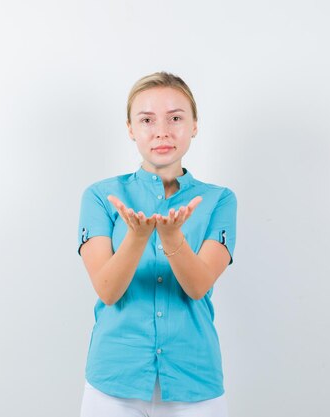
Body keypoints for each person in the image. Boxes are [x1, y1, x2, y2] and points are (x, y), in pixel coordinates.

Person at [77, 71, 237, 417]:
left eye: (176, 118)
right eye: (147, 120)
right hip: (113, 382)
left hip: (195, 382)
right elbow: (107, 289)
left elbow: (197, 286)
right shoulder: (100, 197)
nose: (162, 131)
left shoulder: (219, 200)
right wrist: (136, 237)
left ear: (194, 125)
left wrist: (171, 237)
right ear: (131, 129)